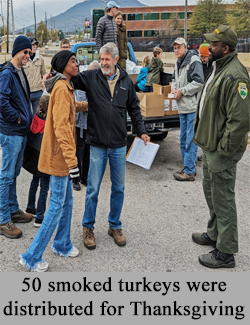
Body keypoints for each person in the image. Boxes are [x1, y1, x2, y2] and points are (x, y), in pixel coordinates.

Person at [55, 42, 149, 250]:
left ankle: (114, 225)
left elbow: (134, 108)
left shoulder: (125, 81)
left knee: (119, 188)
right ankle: (88, 227)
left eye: (107, 59)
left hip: (118, 145)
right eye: (102, 59)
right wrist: (58, 71)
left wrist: (141, 131)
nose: (103, 63)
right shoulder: (91, 77)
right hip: (96, 144)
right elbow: (69, 77)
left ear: (116, 60)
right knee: (93, 190)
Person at [20, 50, 88, 272]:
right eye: (72, 61)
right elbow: (61, 126)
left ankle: (62, 243)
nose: (76, 64)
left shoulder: (65, 86)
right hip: (60, 159)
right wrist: (72, 163)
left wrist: (86, 104)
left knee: (67, 202)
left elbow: (67, 109)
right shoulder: (61, 87)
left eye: (76, 61)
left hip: (61, 158)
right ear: (62, 65)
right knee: (57, 206)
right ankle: (31, 257)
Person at [192, 25, 250, 269]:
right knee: (212, 193)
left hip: (221, 150)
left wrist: (224, 150)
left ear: (224, 48)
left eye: (213, 44)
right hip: (211, 146)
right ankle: (215, 234)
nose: (208, 47)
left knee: (223, 199)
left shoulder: (236, 75)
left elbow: (239, 121)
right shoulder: (218, 67)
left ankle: (226, 252)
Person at [0, 36, 33, 239]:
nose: (28, 56)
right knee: (6, 176)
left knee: (13, 174)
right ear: (17, 52)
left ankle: (13, 209)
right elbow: (1, 101)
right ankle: (3, 219)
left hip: (19, 132)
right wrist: (19, 119)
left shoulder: (19, 71)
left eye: (30, 53)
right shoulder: (7, 73)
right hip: (12, 132)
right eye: (25, 52)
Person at [171, 37, 204, 181]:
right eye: (174, 48)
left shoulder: (194, 60)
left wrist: (182, 91)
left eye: (179, 47)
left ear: (185, 47)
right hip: (182, 107)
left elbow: (199, 82)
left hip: (191, 107)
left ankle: (190, 172)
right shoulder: (177, 63)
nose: (176, 50)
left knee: (190, 140)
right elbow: (173, 80)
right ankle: (188, 167)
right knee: (183, 139)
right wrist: (173, 90)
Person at [22, 95, 50, 228]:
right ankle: (39, 217)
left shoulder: (36, 118)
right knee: (44, 186)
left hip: (34, 155)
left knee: (34, 181)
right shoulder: (50, 122)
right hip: (44, 156)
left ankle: (30, 207)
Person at [73, 60, 100, 191]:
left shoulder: (98, 83)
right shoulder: (82, 83)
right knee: (78, 151)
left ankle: (85, 178)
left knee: (88, 153)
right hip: (80, 123)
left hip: (91, 124)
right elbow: (83, 104)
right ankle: (75, 180)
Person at [197, 41, 213, 162]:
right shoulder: (199, 64)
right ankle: (204, 151)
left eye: (204, 57)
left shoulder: (213, 65)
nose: (203, 59)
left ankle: (207, 152)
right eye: (201, 56)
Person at [24, 38, 46, 116]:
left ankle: (34, 128)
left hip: (37, 92)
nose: (34, 46)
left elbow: (44, 74)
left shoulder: (41, 59)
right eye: (32, 45)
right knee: (26, 114)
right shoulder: (24, 59)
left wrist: (43, 89)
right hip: (26, 92)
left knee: (36, 115)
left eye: (35, 44)